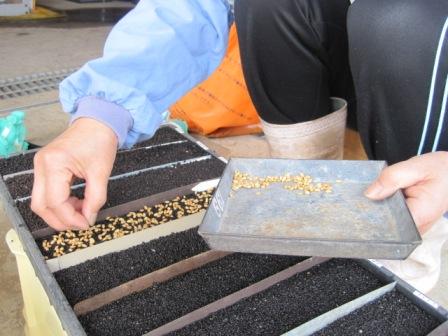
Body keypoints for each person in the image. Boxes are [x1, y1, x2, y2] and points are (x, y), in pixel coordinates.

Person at [31, 0, 448, 293]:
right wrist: (104, 113)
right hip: (359, 59)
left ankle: (404, 255)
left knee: (401, 19)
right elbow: (191, 7)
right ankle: (311, 194)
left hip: (424, 63)